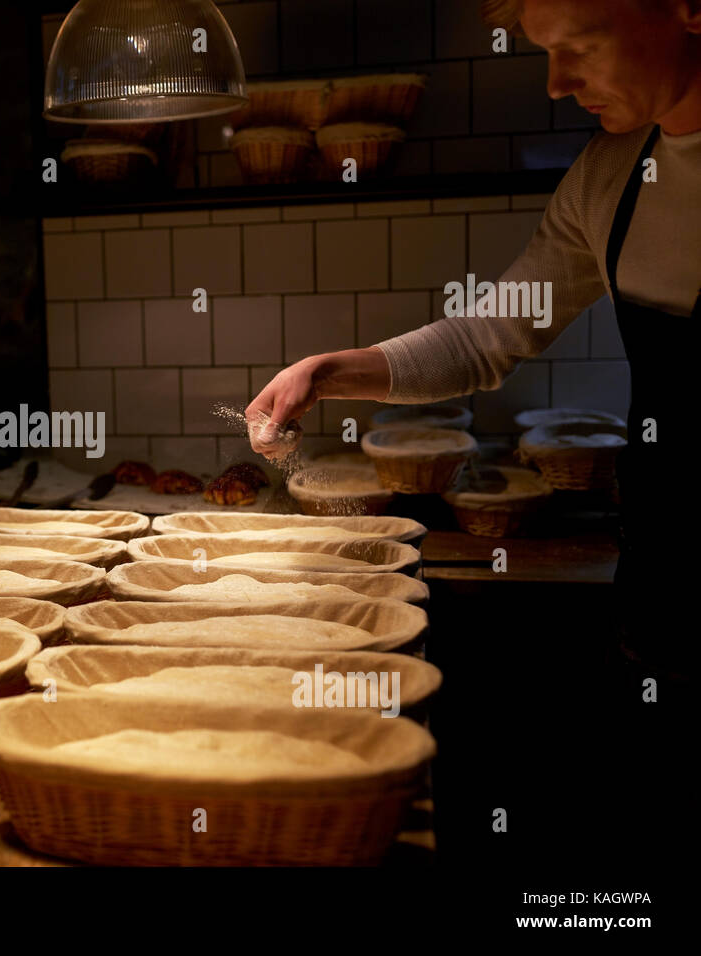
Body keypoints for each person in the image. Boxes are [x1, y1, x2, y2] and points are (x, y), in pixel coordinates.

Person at [246, 0, 698, 866]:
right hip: (667, 588)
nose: (558, 84)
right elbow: (486, 337)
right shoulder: (611, 180)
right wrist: (328, 372)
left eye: (578, 48)